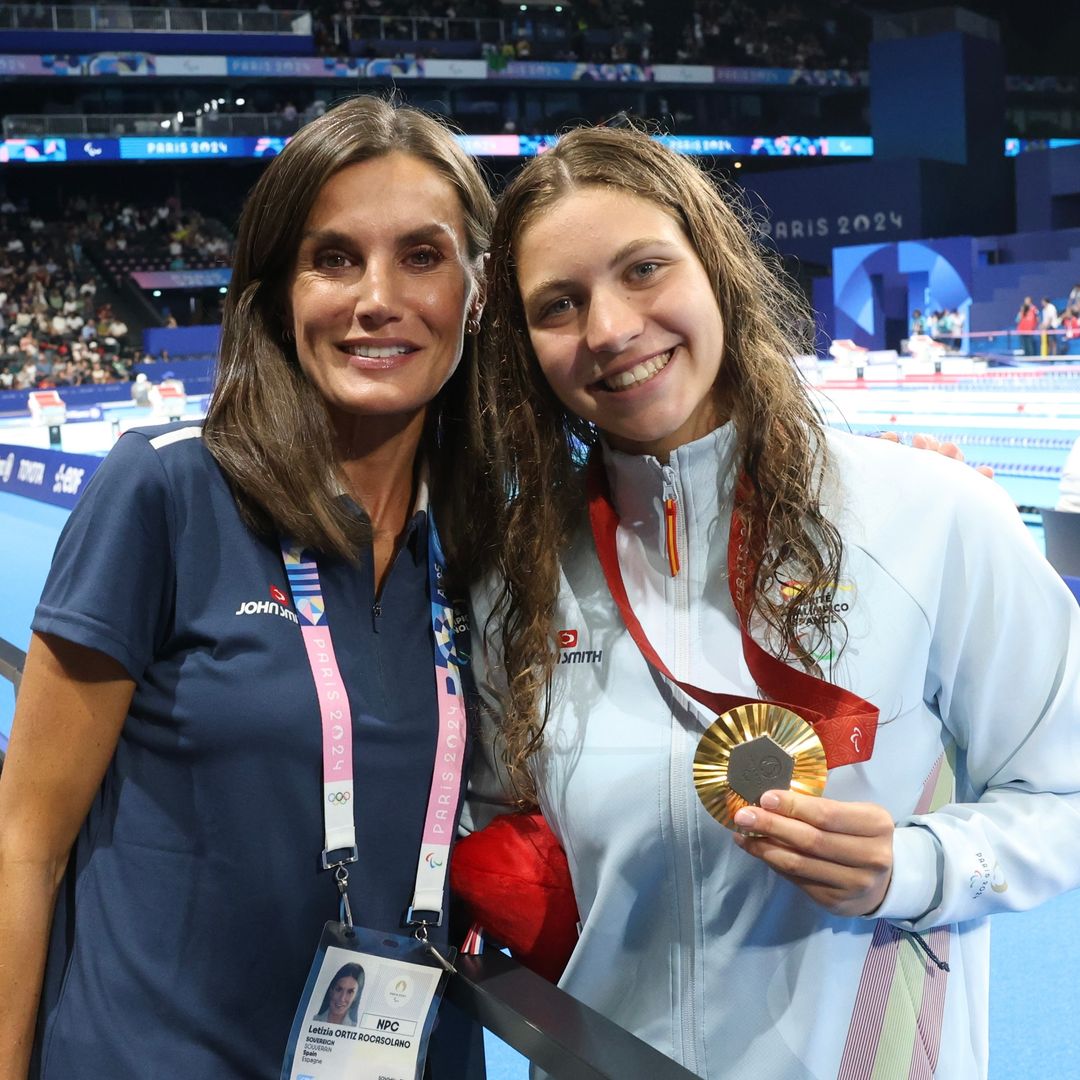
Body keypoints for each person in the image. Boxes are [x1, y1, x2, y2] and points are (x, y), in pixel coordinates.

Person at [463, 124, 1080, 1080]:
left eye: (643, 269)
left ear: (713, 267)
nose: (611, 328)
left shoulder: (932, 518)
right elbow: (497, 828)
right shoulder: (523, 578)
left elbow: (1065, 793)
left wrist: (912, 869)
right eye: (559, 303)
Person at [0, 96, 491, 1079]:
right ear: (275, 291)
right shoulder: (167, 490)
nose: (377, 298)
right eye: (334, 258)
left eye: (423, 256)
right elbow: (26, 842)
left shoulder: (495, 538)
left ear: (478, 289)